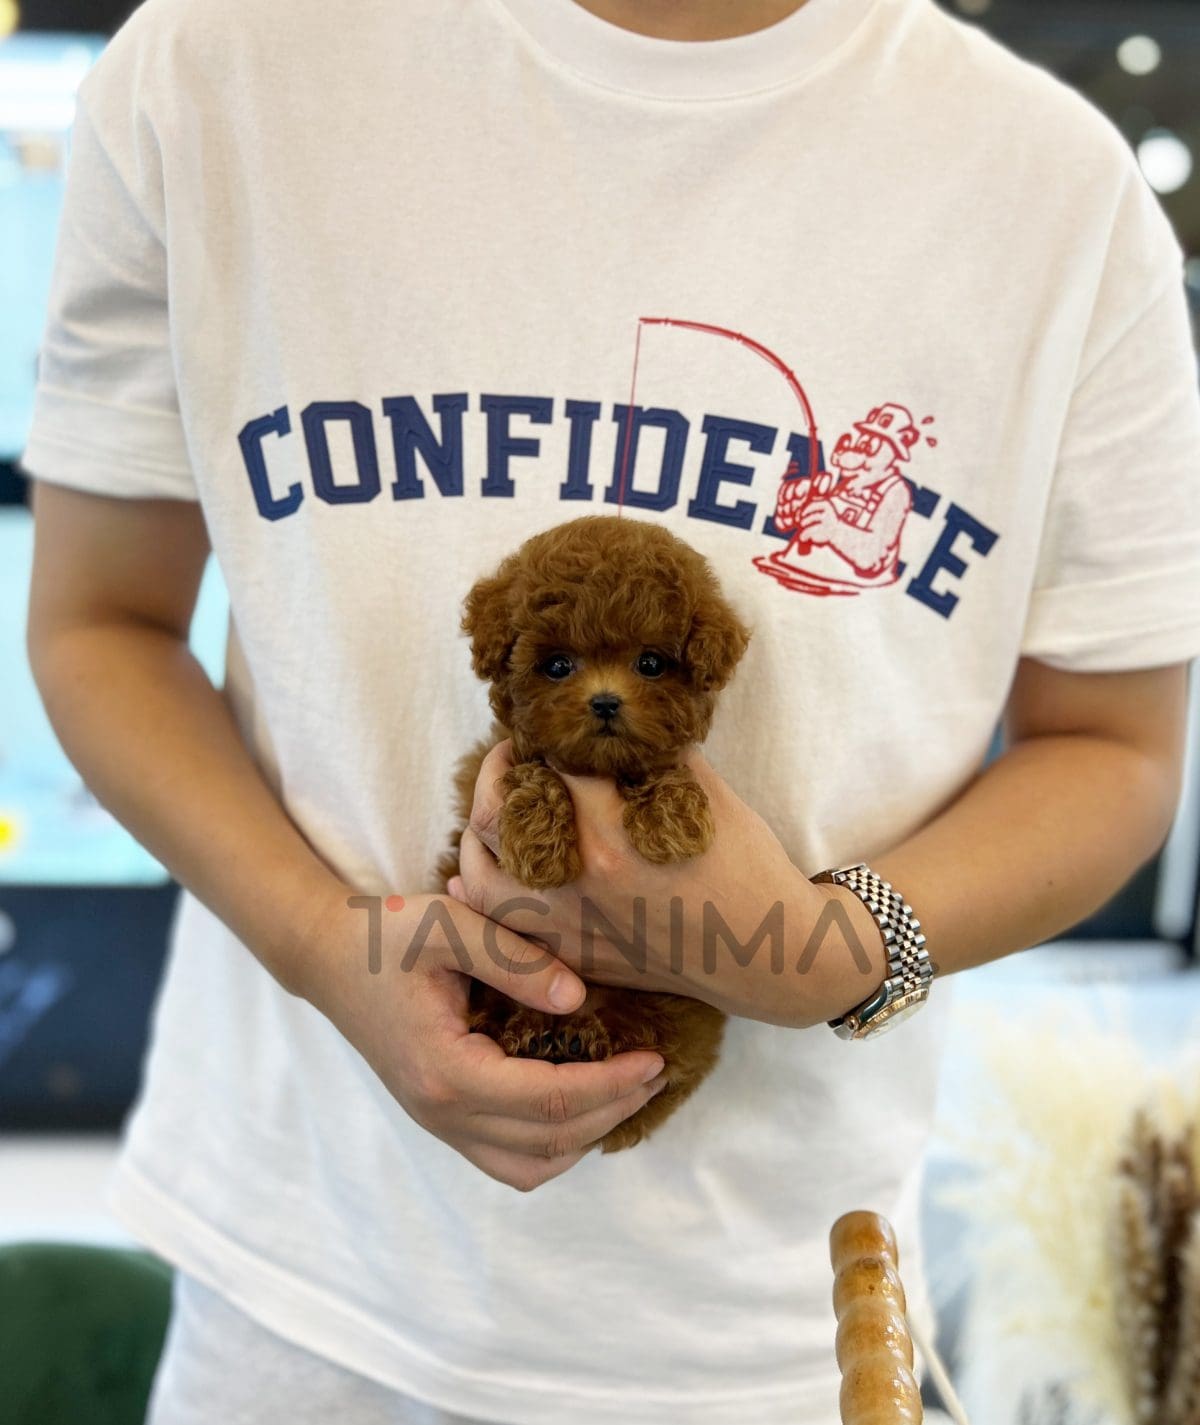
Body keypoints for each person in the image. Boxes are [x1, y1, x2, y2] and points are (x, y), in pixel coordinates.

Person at [20, 0, 1200, 1419]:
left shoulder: (1056, 193)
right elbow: (102, 621)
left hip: (775, 1307)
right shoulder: (218, 65)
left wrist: (831, 949)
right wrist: (323, 945)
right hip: (311, 1275)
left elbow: (1114, 746)